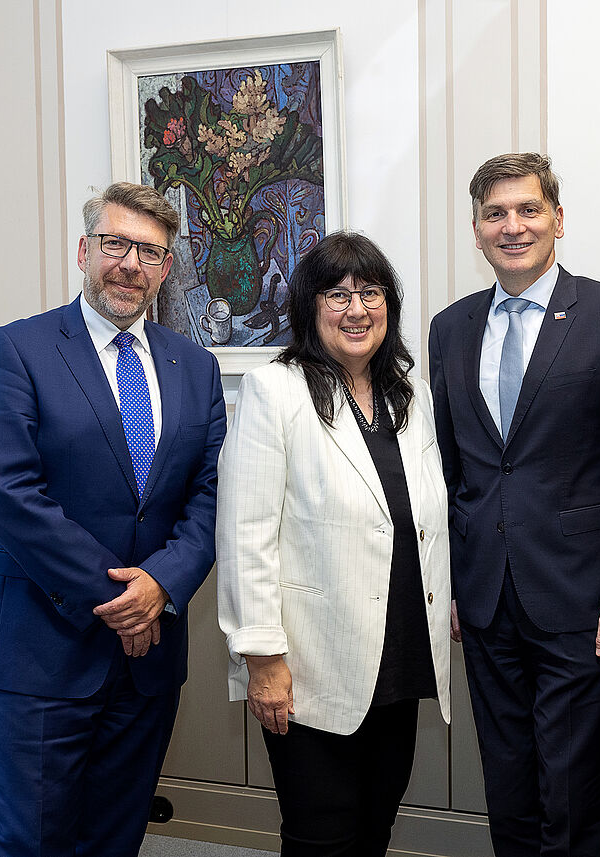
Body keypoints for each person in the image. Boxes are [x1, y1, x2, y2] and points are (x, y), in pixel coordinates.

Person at [0, 182, 225, 857]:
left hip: (148, 660)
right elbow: (7, 493)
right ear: (84, 250)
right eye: (115, 244)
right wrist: (121, 600)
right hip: (39, 650)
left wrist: (161, 584)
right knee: (35, 842)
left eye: (150, 252)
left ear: (167, 268)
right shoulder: (15, 349)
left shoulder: (196, 368)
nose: (130, 264)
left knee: (116, 838)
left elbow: (209, 494)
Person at [428, 152, 600, 856]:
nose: (513, 226)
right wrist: (454, 585)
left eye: (528, 209)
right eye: (495, 213)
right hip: (485, 597)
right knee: (507, 784)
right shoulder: (450, 328)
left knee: (571, 788)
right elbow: (453, 471)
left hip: (580, 599)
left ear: (558, 219)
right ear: (475, 230)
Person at [217, 232, 451, 856]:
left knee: (375, 826)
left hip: (400, 651)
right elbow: (245, 532)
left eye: (371, 293)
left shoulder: (410, 396)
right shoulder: (275, 390)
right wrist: (261, 656)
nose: (357, 309)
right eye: (337, 295)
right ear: (309, 306)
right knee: (321, 835)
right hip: (309, 661)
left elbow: (426, 517)